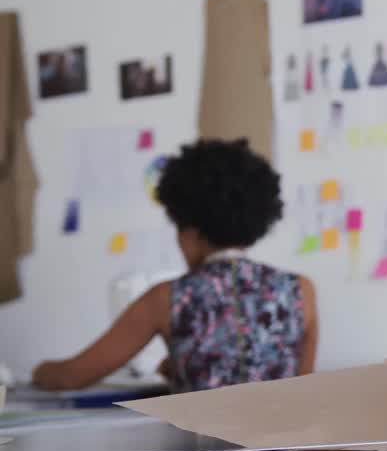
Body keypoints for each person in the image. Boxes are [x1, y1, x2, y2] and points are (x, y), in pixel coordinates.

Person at [33, 140, 318, 392]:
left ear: (190, 233)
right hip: (286, 450)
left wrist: (41, 371)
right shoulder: (300, 290)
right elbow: (302, 391)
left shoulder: (168, 298)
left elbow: (73, 377)